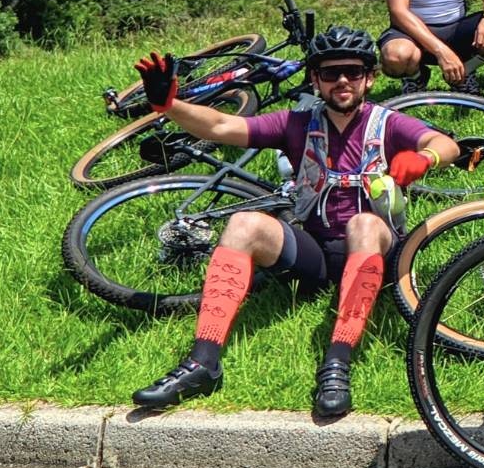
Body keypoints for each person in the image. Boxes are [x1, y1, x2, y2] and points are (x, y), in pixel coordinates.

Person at [128, 26, 459, 417]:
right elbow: (221, 127)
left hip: (378, 251)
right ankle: (203, 363)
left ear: (369, 77)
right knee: (243, 223)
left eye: (352, 72)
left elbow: (444, 143)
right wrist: (169, 105)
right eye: (330, 73)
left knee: (363, 225)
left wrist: (426, 158)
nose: (342, 81)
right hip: (316, 252)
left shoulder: (387, 122)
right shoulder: (297, 123)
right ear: (315, 79)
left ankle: (337, 363)